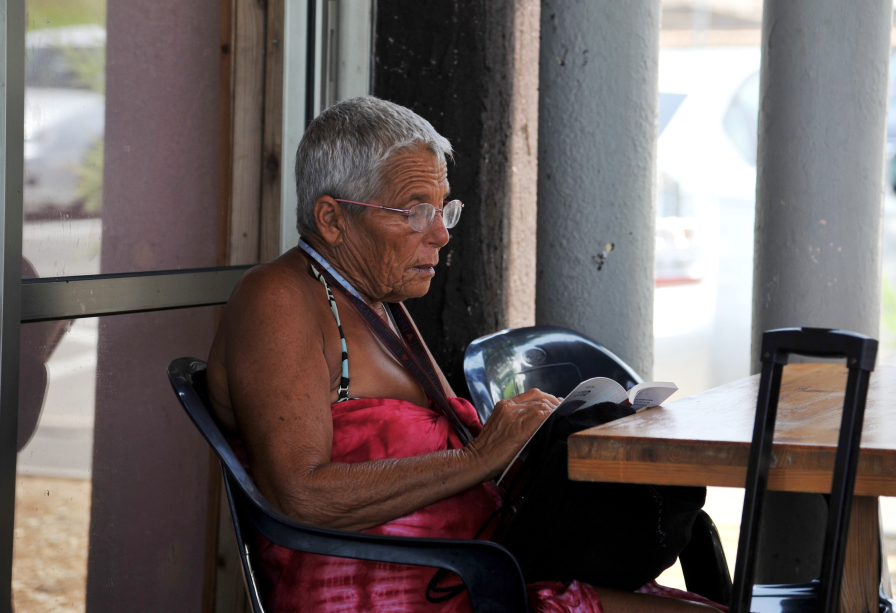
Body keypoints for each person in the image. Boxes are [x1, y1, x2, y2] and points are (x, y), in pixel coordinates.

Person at [207, 96, 725, 613]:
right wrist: (479, 456)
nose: (440, 233)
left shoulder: (379, 303)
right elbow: (300, 494)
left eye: (443, 209)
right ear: (333, 219)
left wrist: (536, 436)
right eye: (415, 211)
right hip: (392, 594)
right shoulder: (279, 299)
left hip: (474, 573)